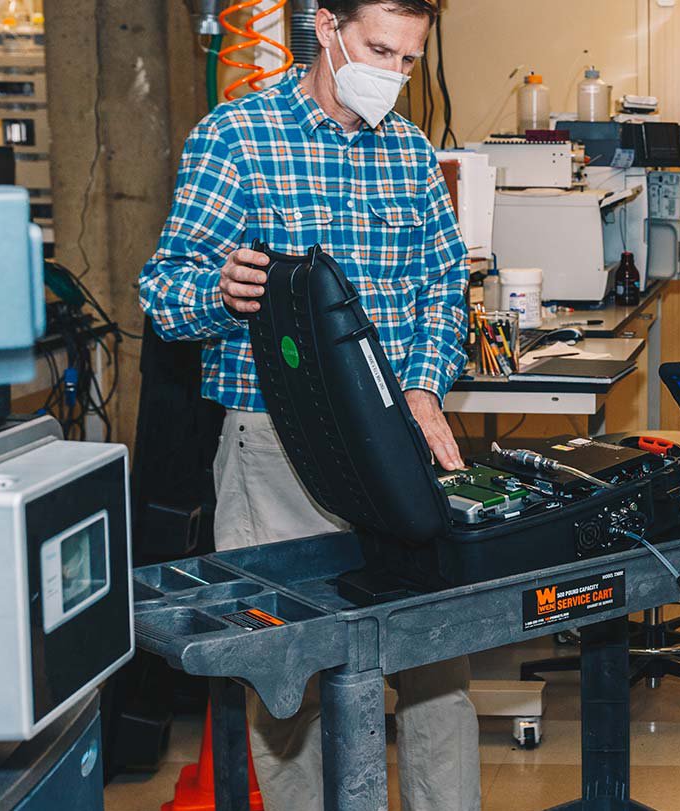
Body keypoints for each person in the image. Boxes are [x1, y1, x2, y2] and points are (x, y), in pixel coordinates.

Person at [139, 0, 478, 808]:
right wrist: (218, 290)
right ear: (325, 28)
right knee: (289, 694)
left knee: (436, 674)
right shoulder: (236, 137)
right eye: (378, 49)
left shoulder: (408, 152)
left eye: (408, 59)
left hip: (396, 445)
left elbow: (444, 284)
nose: (392, 75)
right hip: (274, 452)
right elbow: (163, 294)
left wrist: (426, 387)